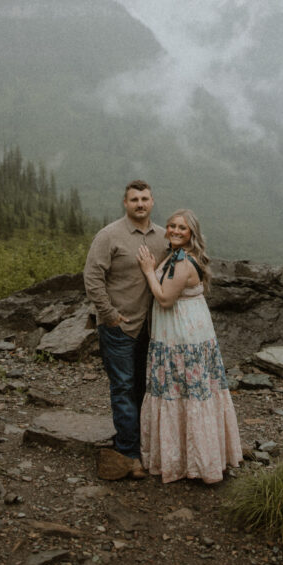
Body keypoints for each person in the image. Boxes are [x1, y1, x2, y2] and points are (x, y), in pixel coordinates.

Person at [137, 209, 242, 484]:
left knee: (183, 390)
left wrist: (148, 270)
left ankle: (194, 462)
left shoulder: (183, 262)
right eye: (171, 226)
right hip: (185, 330)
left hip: (181, 334)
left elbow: (164, 299)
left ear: (192, 233)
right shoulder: (177, 255)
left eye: (182, 228)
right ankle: (193, 458)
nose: (174, 230)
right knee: (189, 391)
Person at [84, 179, 166, 478]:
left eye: (145, 198)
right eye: (134, 199)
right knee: (122, 388)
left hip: (152, 328)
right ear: (125, 203)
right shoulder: (109, 236)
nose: (140, 204)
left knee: (144, 388)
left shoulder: (162, 237)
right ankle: (129, 454)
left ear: (152, 202)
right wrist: (109, 315)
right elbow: (92, 277)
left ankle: (142, 445)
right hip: (120, 327)